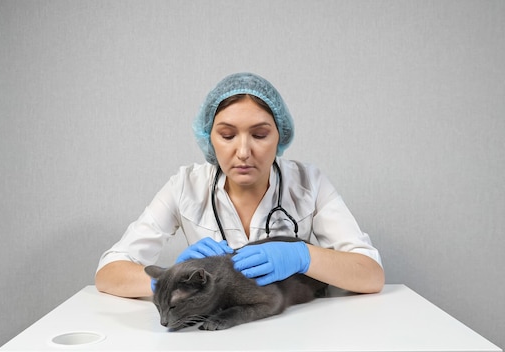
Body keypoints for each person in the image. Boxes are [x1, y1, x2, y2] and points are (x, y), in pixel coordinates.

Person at [95, 72, 384, 298]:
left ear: (280, 136)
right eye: (227, 135)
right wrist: (172, 278)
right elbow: (109, 272)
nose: (243, 151)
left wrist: (301, 256)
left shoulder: (309, 184)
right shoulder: (185, 186)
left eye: (259, 135)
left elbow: (371, 275)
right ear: (209, 137)